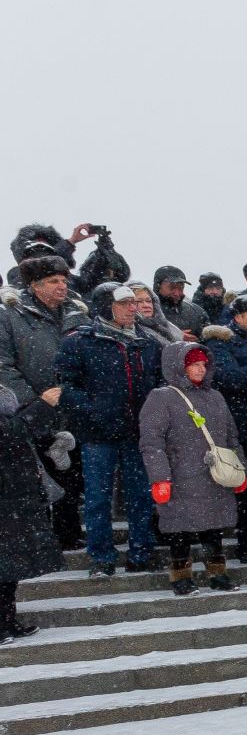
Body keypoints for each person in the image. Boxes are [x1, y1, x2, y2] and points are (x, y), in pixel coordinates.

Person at [58, 283, 163, 577]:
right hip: (98, 434)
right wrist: (92, 412)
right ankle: (102, 557)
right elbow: (67, 385)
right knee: (97, 498)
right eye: (125, 303)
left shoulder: (146, 341)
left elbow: (157, 383)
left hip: (136, 433)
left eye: (134, 302)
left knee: (141, 495)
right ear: (106, 306)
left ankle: (141, 552)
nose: (133, 308)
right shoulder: (80, 341)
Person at [138, 341, 245, 594]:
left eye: (203, 364)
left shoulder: (215, 396)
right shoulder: (162, 397)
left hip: (214, 476)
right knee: (179, 530)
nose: (200, 369)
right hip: (180, 476)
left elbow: (231, 438)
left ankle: (218, 574)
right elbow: (152, 442)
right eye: (193, 364)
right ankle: (180, 577)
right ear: (179, 367)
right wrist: (160, 477)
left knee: (214, 528)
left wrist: (241, 471)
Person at [0, 251, 88, 548]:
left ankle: (69, 533)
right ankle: (43, 538)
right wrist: (35, 401)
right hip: (34, 411)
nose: (62, 286)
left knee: (74, 474)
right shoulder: (10, 314)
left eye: (64, 279)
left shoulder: (77, 312)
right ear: (34, 285)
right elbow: (3, 365)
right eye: (53, 281)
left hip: (75, 408)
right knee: (40, 477)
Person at [202, 294, 247, 562]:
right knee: (245, 488)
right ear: (238, 318)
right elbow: (229, 379)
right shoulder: (221, 341)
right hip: (237, 427)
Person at [0, 383, 67, 641]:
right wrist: (40, 406)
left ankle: (8, 621)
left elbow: (16, 428)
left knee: (10, 569)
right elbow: (9, 433)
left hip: (15, 498)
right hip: (7, 498)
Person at [152, 266, 207, 339]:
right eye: (172, 288)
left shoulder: (197, 313)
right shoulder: (146, 310)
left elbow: (209, 341)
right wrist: (175, 336)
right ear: (158, 286)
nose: (177, 293)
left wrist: (196, 343)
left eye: (181, 288)